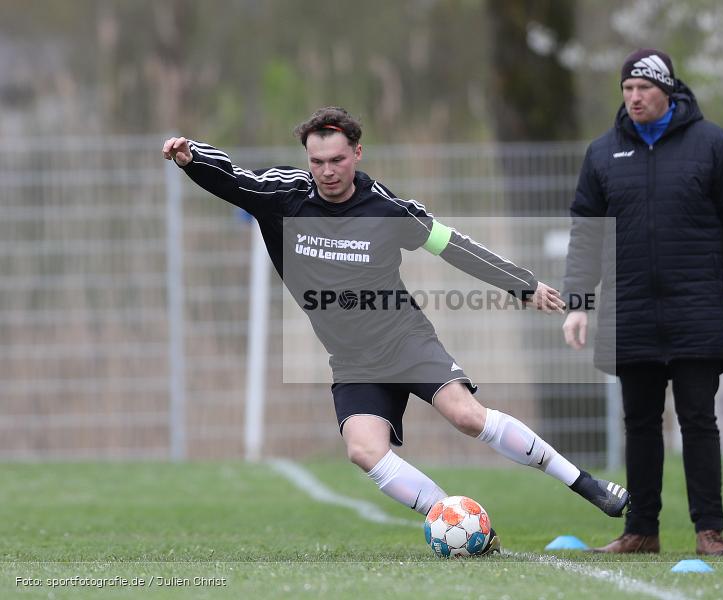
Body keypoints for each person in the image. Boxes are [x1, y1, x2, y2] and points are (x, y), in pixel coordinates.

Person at [162, 106, 630, 555]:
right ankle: (458, 521)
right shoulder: (284, 197)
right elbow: (234, 180)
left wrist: (523, 286)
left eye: (338, 160)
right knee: (363, 450)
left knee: (468, 417)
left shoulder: (385, 208)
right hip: (352, 359)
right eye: (318, 161)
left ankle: (586, 484)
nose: (327, 171)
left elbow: (454, 246)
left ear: (358, 154)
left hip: (404, 339)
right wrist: (191, 158)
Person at [562, 49, 723, 556]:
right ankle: (641, 531)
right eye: (627, 89)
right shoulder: (603, 153)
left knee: (698, 420)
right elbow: (586, 233)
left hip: (696, 309)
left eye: (643, 89)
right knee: (640, 424)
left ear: (667, 90)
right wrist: (579, 302)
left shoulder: (712, 145)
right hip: (631, 312)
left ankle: (709, 531)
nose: (633, 98)